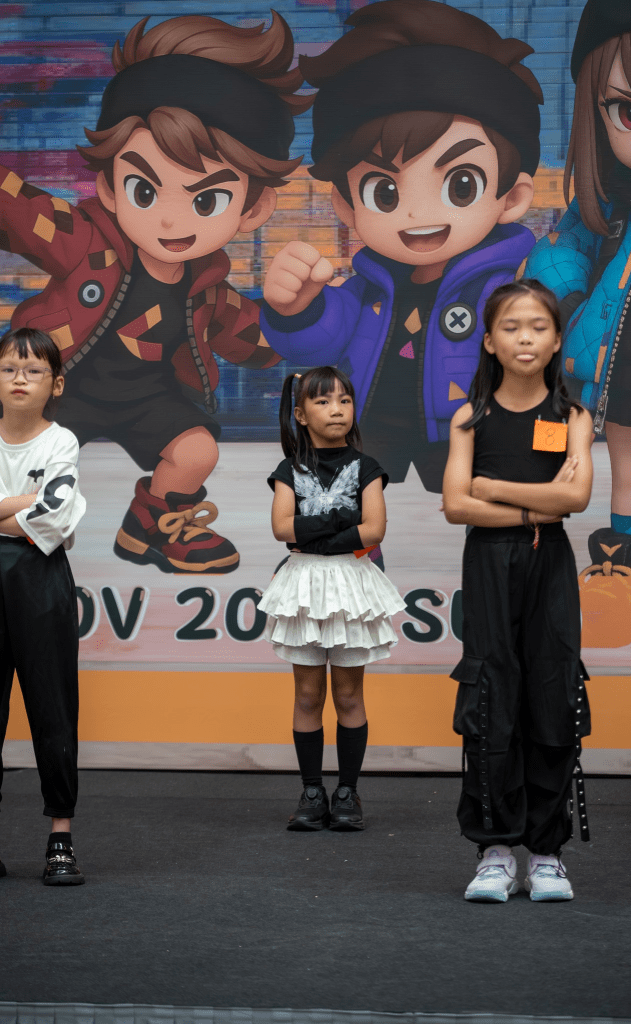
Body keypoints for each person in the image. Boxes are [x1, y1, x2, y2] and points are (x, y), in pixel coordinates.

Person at [0, 13, 311, 574]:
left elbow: (254, 341)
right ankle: (28, 523)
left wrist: (295, 314)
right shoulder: (85, 241)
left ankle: (150, 527)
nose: (171, 220)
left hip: (148, 399)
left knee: (197, 450)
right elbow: (21, 210)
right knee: (26, 454)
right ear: (109, 187)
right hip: (62, 388)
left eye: (206, 200)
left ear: (253, 208)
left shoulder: (208, 288)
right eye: (144, 189)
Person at [260, 0, 543, 567]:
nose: (416, 214)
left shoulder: (507, 289)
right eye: (384, 192)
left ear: (511, 197)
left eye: (460, 184)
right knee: (344, 517)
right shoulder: (367, 286)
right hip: (372, 424)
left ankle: (501, 593)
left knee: (498, 522)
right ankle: (351, 585)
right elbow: (321, 339)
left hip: (465, 427)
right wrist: (298, 308)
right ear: (347, 205)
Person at [526, 0, 631, 645]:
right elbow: (563, 254)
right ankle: (628, 573)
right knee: (630, 464)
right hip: (620, 364)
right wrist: (557, 302)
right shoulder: (614, 203)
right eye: (628, 112)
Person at [442, 280, 594, 902]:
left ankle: (548, 853)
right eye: (511, 327)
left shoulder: (573, 417)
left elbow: (575, 498)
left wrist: (493, 489)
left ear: (557, 341)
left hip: (549, 563)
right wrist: (537, 506)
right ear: (489, 341)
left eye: (538, 327)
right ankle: (495, 850)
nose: (525, 338)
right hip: (488, 562)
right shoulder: (469, 417)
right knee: (490, 695)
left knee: (552, 693)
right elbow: (456, 505)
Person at [259, 366, 404, 831]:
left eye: (344, 400)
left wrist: (313, 537)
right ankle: (311, 791)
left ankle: (347, 792)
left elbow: (374, 530)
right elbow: (282, 528)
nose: (336, 409)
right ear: (301, 414)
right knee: (307, 695)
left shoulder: (367, 468)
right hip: (303, 586)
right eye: (322, 401)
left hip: (349, 585)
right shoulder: (288, 470)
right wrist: (342, 521)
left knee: (348, 694)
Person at [0, 328, 86, 885]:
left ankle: (60, 836)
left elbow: (54, 520)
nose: (19, 379)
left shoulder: (62, 442)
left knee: (53, 709)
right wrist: (24, 505)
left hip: (41, 580)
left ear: (55, 385)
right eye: (9, 369)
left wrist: (14, 513)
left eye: (33, 371)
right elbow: (44, 512)